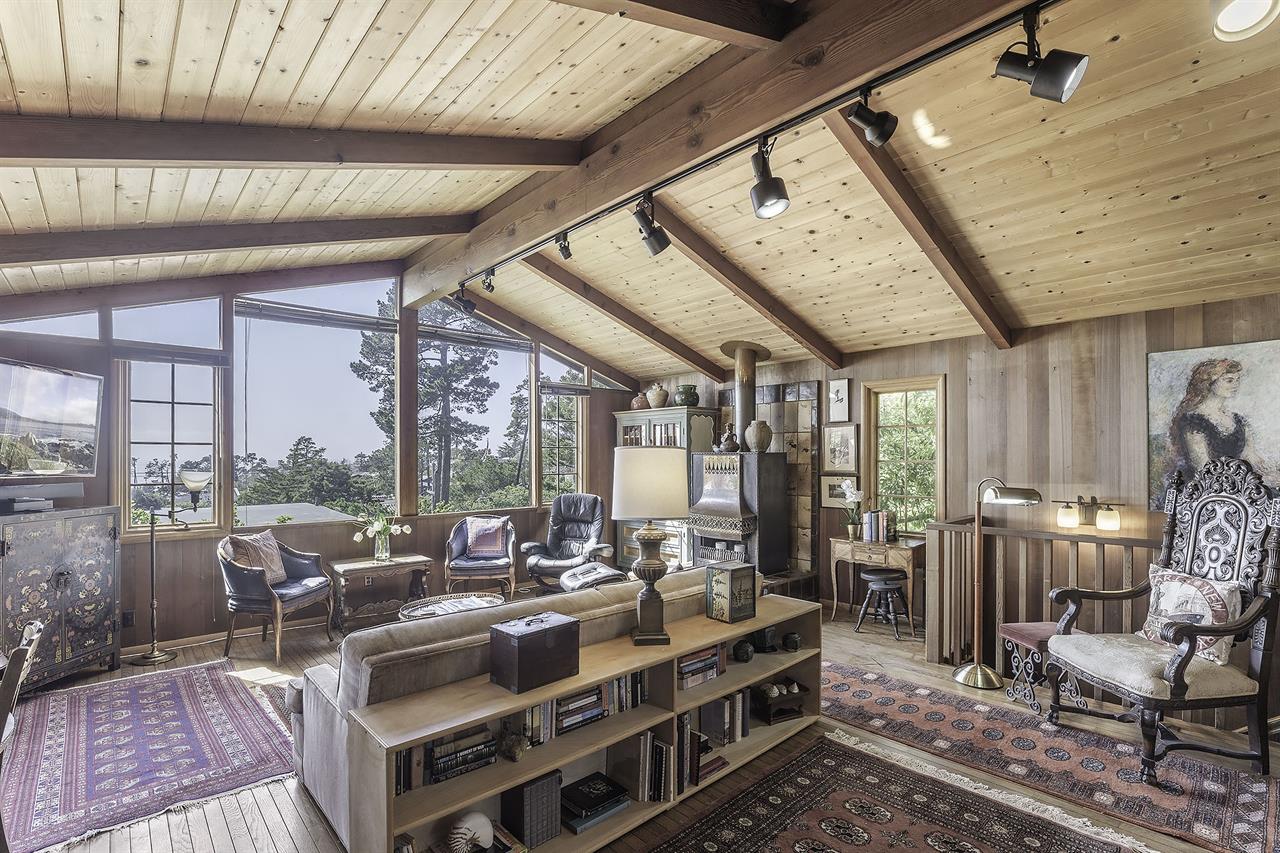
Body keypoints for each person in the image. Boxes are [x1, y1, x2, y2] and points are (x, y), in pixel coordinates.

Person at [1168, 358, 1255, 483]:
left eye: (1237, 380)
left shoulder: (1239, 420)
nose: (1236, 384)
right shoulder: (1193, 421)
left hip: (1238, 485)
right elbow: (1203, 468)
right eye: (1229, 380)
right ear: (1209, 383)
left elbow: (1251, 458)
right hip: (1204, 488)